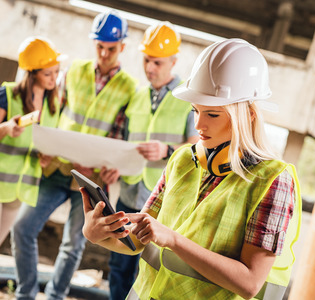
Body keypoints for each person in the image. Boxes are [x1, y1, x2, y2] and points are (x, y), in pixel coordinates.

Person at [81, 38, 302, 300]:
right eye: (195, 110)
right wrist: (95, 233)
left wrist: (173, 239)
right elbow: (139, 240)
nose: (199, 124)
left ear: (248, 114)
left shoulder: (274, 181)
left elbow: (250, 282)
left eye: (213, 114)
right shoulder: (182, 160)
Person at [11, 10, 137, 300]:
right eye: (99, 46)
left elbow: (122, 135)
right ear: (94, 44)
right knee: (22, 228)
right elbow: (55, 112)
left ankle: (54, 297)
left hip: (91, 181)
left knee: (73, 244)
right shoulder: (74, 70)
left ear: (122, 48)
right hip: (58, 168)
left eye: (111, 49)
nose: (104, 54)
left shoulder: (129, 87)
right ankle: (25, 294)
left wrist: (113, 166)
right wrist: (45, 147)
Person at [0, 36, 62, 300]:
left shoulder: (53, 105)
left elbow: (42, 145)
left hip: (19, 189)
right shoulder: (6, 94)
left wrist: (46, 160)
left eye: (56, 72)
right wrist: (6, 127)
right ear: (32, 73)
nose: (54, 78)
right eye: (48, 73)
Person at [105, 21, 198, 300]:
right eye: (147, 60)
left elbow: (198, 146)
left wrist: (167, 150)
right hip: (129, 192)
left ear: (173, 61)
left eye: (157, 62)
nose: (150, 68)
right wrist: (115, 166)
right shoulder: (136, 95)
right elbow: (125, 141)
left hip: (162, 199)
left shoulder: (188, 98)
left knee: (144, 269)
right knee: (118, 265)